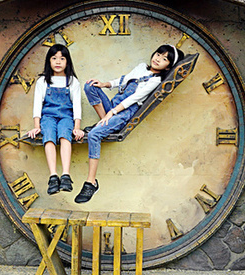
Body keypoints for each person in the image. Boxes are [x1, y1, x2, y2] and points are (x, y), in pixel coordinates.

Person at [75, 44, 181, 203]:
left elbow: (134, 98)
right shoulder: (140, 67)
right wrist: (104, 84)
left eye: (165, 59)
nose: (158, 59)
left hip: (125, 112)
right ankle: (105, 124)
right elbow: (123, 80)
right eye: (158, 54)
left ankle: (91, 182)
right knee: (90, 86)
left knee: (94, 135)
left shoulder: (156, 81)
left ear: (168, 66)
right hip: (113, 106)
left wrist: (112, 113)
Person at [22, 44, 84, 194]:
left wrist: (77, 127)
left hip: (66, 116)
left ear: (67, 62)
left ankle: (66, 175)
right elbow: (38, 104)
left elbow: (77, 106)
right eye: (54, 58)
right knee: (48, 136)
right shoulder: (43, 81)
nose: (58, 62)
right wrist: (37, 125)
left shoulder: (72, 82)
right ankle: (53, 176)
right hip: (48, 116)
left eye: (62, 58)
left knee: (65, 136)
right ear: (49, 61)